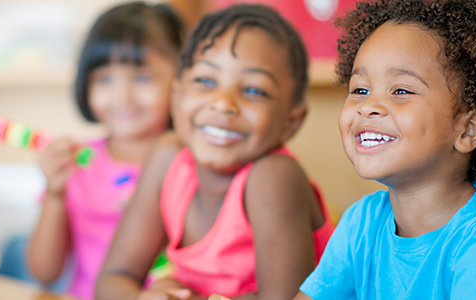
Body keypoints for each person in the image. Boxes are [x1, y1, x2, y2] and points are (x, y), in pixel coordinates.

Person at [291, 0, 476, 299]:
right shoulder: (361, 223)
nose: (368, 106)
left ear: (468, 129)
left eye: (401, 90)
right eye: (360, 90)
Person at [95, 4, 332, 300]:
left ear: (290, 122)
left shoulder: (273, 178)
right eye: (205, 81)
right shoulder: (167, 158)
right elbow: (112, 280)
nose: (222, 103)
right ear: (177, 96)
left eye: (254, 91)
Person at [18, 2, 185, 300]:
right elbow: (44, 272)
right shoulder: (78, 163)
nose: (122, 96)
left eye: (141, 77)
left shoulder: (189, 165)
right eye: (105, 79)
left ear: (180, 83)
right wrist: (55, 194)